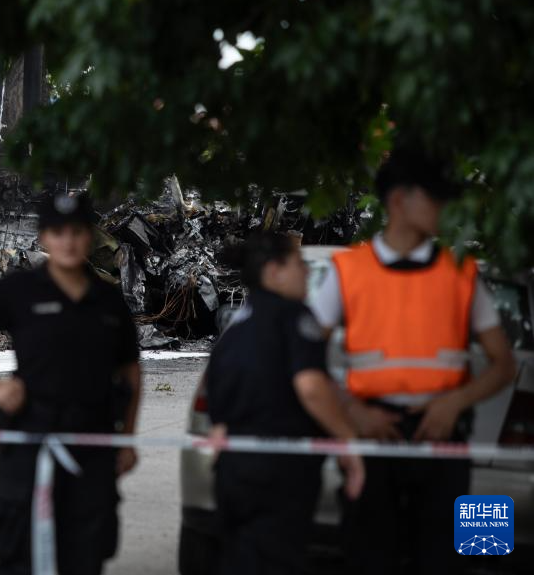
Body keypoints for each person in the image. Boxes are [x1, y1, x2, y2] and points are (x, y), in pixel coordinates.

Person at [308, 147, 516, 575]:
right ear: (399, 200)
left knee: (444, 561)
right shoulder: (348, 270)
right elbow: (303, 360)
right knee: (369, 559)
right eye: (434, 195)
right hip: (372, 437)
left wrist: (454, 403)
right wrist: (353, 412)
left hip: (443, 438)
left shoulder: (461, 273)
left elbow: (503, 364)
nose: (444, 206)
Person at [0, 191, 142, 575]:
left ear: (90, 237)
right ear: (45, 237)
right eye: (58, 232)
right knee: (22, 553)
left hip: (92, 448)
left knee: (86, 554)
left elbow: (131, 371)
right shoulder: (22, 289)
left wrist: (127, 438)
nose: (68, 241)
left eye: (77, 232)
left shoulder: (108, 301)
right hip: (30, 445)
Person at [206, 232, 365, 575]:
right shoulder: (294, 317)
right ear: (273, 271)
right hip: (280, 473)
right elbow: (311, 387)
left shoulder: (235, 329)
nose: (305, 272)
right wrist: (348, 441)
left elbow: (217, 410)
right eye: (298, 264)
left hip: (233, 473)